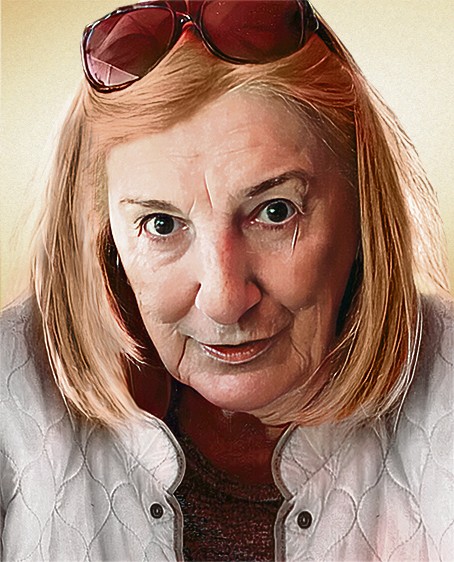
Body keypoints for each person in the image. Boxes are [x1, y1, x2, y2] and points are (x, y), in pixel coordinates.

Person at [1, 1, 453, 560]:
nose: (223, 300)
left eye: (276, 212)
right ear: (104, 232)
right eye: (161, 225)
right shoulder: (11, 392)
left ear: (363, 203)